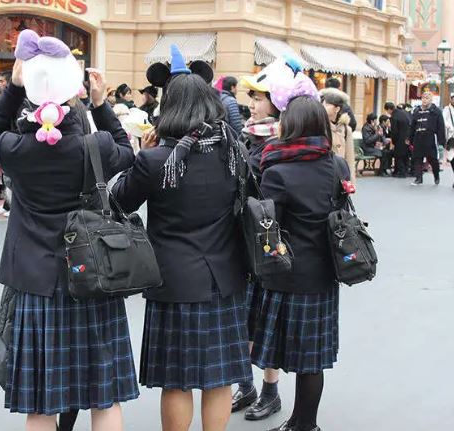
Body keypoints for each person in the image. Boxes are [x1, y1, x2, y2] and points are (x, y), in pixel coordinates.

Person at [0, 30, 137, 431]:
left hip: (37, 281)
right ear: (74, 93)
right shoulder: (97, 145)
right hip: (93, 275)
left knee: (41, 403)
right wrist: (101, 105)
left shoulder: (16, 148)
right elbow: (127, 149)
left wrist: (14, 89)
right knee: (104, 397)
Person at [112, 47, 251, 431]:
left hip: (174, 281)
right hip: (225, 277)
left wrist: (140, 155)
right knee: (219, 377)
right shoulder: (234, 153)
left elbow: (120, 201)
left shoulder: (155, 159)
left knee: (177, 380)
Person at [254, 90, 348, 431]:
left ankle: (298, 421)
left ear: (289, 126)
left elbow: (267, 224)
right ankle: (304, 422)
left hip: (289, 273)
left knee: (289, 351)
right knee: (312, 359)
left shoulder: (277, 170)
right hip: (325, 272)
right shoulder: (336, 165)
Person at [230, 67, 284, 422]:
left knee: (266, 322)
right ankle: (246, 385)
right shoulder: (248, 136)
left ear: (276, 104)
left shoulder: (278, 142)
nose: (252, 104)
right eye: (251, 97)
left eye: (260, 98)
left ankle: (270, 391)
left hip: (266, 238)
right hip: (240, 238)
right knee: (242, 319)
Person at [409, 92, 446, 186]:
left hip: (430, 138)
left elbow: (440, 126)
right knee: (417, 158)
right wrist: (409, 137)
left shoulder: (436, 111)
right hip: (418, 137)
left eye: (427, 98)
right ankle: (418, 178)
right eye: (423, 98)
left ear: (431, 100)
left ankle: (436, 176)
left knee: (433, 159)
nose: (424, 100)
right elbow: (412, 125)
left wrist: (441, 141)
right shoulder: (417, 110)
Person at [321, 88, 356, 181]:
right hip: (324, 176)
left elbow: (350, 160)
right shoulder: (319, 127)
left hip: (341, 177)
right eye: (322, 104)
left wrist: (351, 182)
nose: (323, 107)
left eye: (327, 105)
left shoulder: (346, 130)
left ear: (337, 109)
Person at [385, 102, 411, 178]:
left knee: (399, 156)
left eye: (387, 111)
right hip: (407, 137)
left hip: (399, 139)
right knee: (405, 155)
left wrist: (393, 141)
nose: (388, 113)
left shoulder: (394, 117)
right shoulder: (403, 112)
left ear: (389, 109)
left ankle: (401, 173)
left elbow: (395, 131)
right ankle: (405, 171)